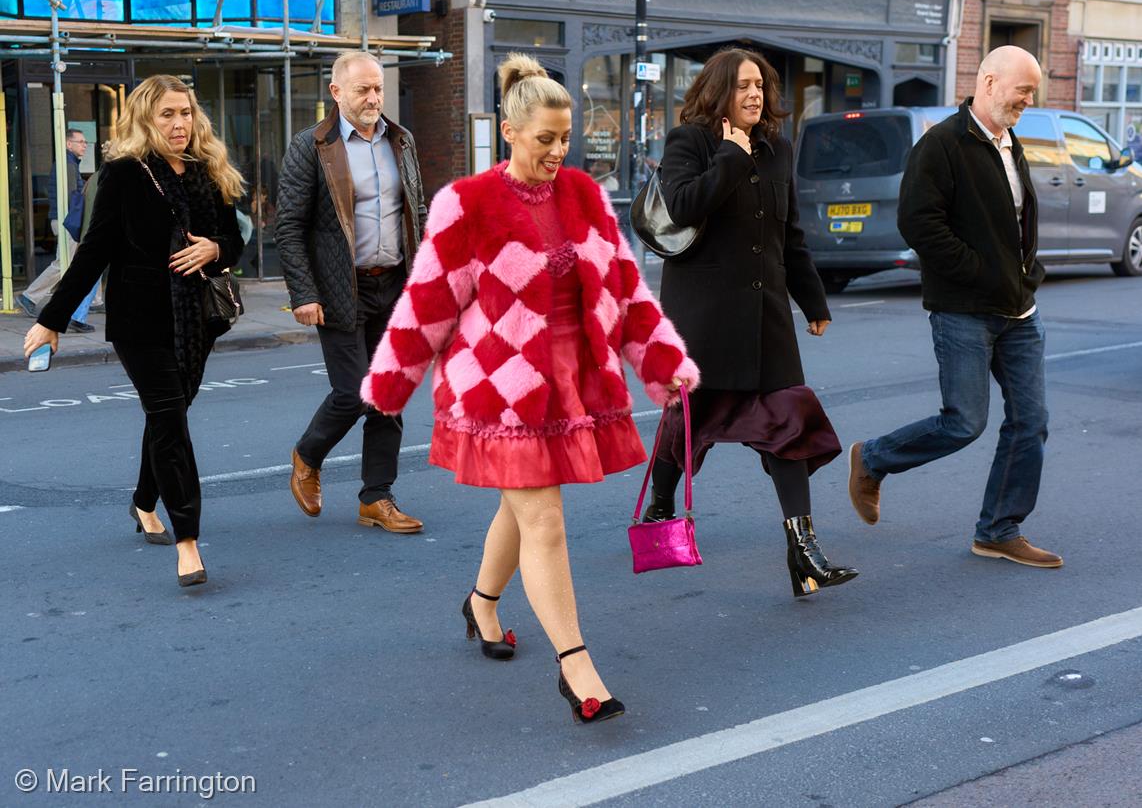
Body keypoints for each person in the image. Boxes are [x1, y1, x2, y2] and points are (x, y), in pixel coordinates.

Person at [361, 54, 699, 724]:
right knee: (543, 518)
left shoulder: (585, 195)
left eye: (565, 138)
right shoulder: (467, 203)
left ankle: (481, 603)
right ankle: (577, 666)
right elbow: (428, 301)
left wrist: (663, 362)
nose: (557, 151)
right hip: (501, 392)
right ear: (510, 132)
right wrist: (389, 385)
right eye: (545, 138)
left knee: (521, 509)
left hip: (572, 383)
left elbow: (626, 288)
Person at [645, 47, 858, 599]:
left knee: (787, 422)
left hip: (765, 320)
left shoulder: (778, 148)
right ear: (719, 91)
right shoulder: (690, 142)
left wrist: (813, 301)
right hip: (706, 321)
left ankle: (804, 553)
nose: (755, 94)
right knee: (687, 422)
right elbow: (682, 206)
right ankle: (661, 507)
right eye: (743, 85)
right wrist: (731, 157)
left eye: (760, 85)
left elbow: (789, 236)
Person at [23, 75, 245, 587]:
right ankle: (188, 543)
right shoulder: (124, 173)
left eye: (185, 112)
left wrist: (215, 248)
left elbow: (234, 239)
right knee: (170, 420)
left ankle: (144, 502)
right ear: (146, 118)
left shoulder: (207, 169)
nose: (180, 123)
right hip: (139, 321)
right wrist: (51, 320)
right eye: (168, 114)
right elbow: (94, 251)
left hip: (198, 320)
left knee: (169, 417)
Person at [847, 46, 1060, 568]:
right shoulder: (942, 144)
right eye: (1023, 90)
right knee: (964, 422)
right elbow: (919, 223)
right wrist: (981, 272)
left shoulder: (1009, 142)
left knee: (1031, 422)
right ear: (988, 82)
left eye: (1032, 92)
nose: (1028, 101)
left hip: (1019, 311)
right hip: (964, 309)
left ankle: (999, 530)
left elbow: (1015, 222)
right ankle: (872, 458)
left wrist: (1026, 274)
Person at [276, 51, 428, 534]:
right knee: (353, 392)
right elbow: (289, 227)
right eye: (363, 89)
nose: (373, 98)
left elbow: (417, 213)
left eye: (378, 88)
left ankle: (376, 498)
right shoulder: (311, 146)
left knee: (389, 394)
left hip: (395, 284)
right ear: (336, 92)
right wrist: (304, 292)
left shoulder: (401, 140)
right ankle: (308, 454)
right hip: (341, 288)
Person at [18, 127, 101, 331]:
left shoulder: (69, 163)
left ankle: (96, 300)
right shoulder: (68, 165)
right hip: (67, 222)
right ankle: (29, 296)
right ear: (68, 144)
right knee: (64, 263)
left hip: (63, 220)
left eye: (85, 142)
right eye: (81, 142)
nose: (85, 145)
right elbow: (73, 196)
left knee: (82, 260)